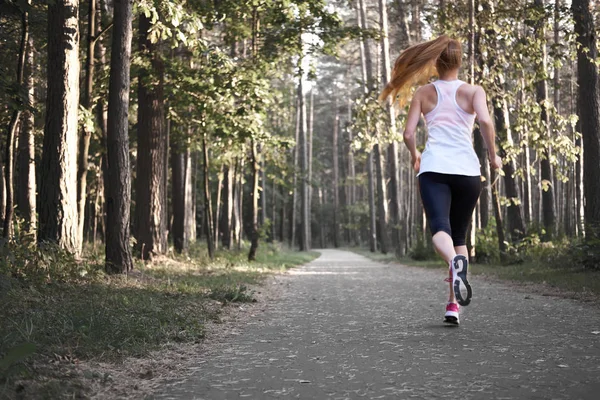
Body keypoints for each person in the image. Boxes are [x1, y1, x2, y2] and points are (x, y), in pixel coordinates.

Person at [380, 35, 502, 325]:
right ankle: (452, 305)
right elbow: (485, 121)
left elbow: (408, 134)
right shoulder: (474, 91)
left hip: (434, 169)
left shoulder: (424, 93)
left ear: (436, 62)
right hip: (468, 172)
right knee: (459, 237)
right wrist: (493, 155)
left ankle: (453, 269)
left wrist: (415, 155)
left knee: (440, 229)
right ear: (459, 62)